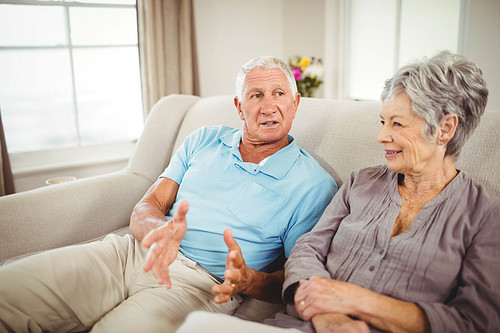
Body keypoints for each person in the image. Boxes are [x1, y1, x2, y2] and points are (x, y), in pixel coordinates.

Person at [0, 56, 337, 333]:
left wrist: (249, 280)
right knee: (8, 289)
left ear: (295, 103)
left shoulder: (313, 185)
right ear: (238, 106)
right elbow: (149, 205)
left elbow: (295, 279)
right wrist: (158, 232)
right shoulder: (204, 139)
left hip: (198, 286)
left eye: (279, 93)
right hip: (128, 254)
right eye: (256, 95)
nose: (268, 107)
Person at [177, 51, 500, 333]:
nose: (381, 136)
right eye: (383, 122)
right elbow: (306, 251)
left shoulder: (484, 217)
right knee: (194, 327)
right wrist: (328, 315)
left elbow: (476, 321)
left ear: (445, 128)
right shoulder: (361, 184)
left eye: (397, 125)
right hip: (297, 326)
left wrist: (357, 300)